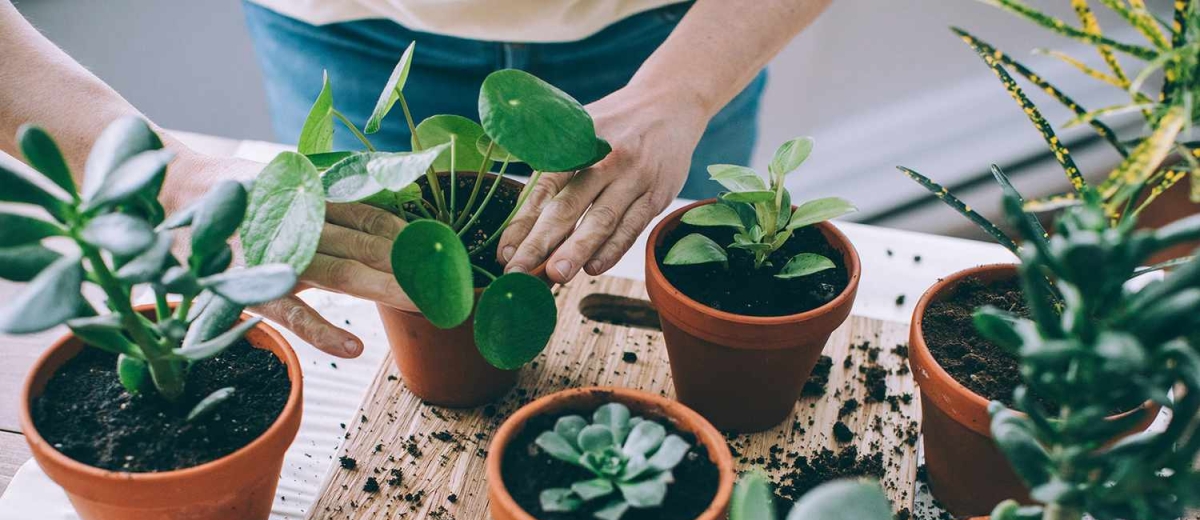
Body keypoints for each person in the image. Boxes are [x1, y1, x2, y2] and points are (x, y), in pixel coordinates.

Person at [0, 0, 831, 359]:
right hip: (345, 37)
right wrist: (169, 177)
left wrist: (685, 87)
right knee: (378, 267)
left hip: (679, 34)